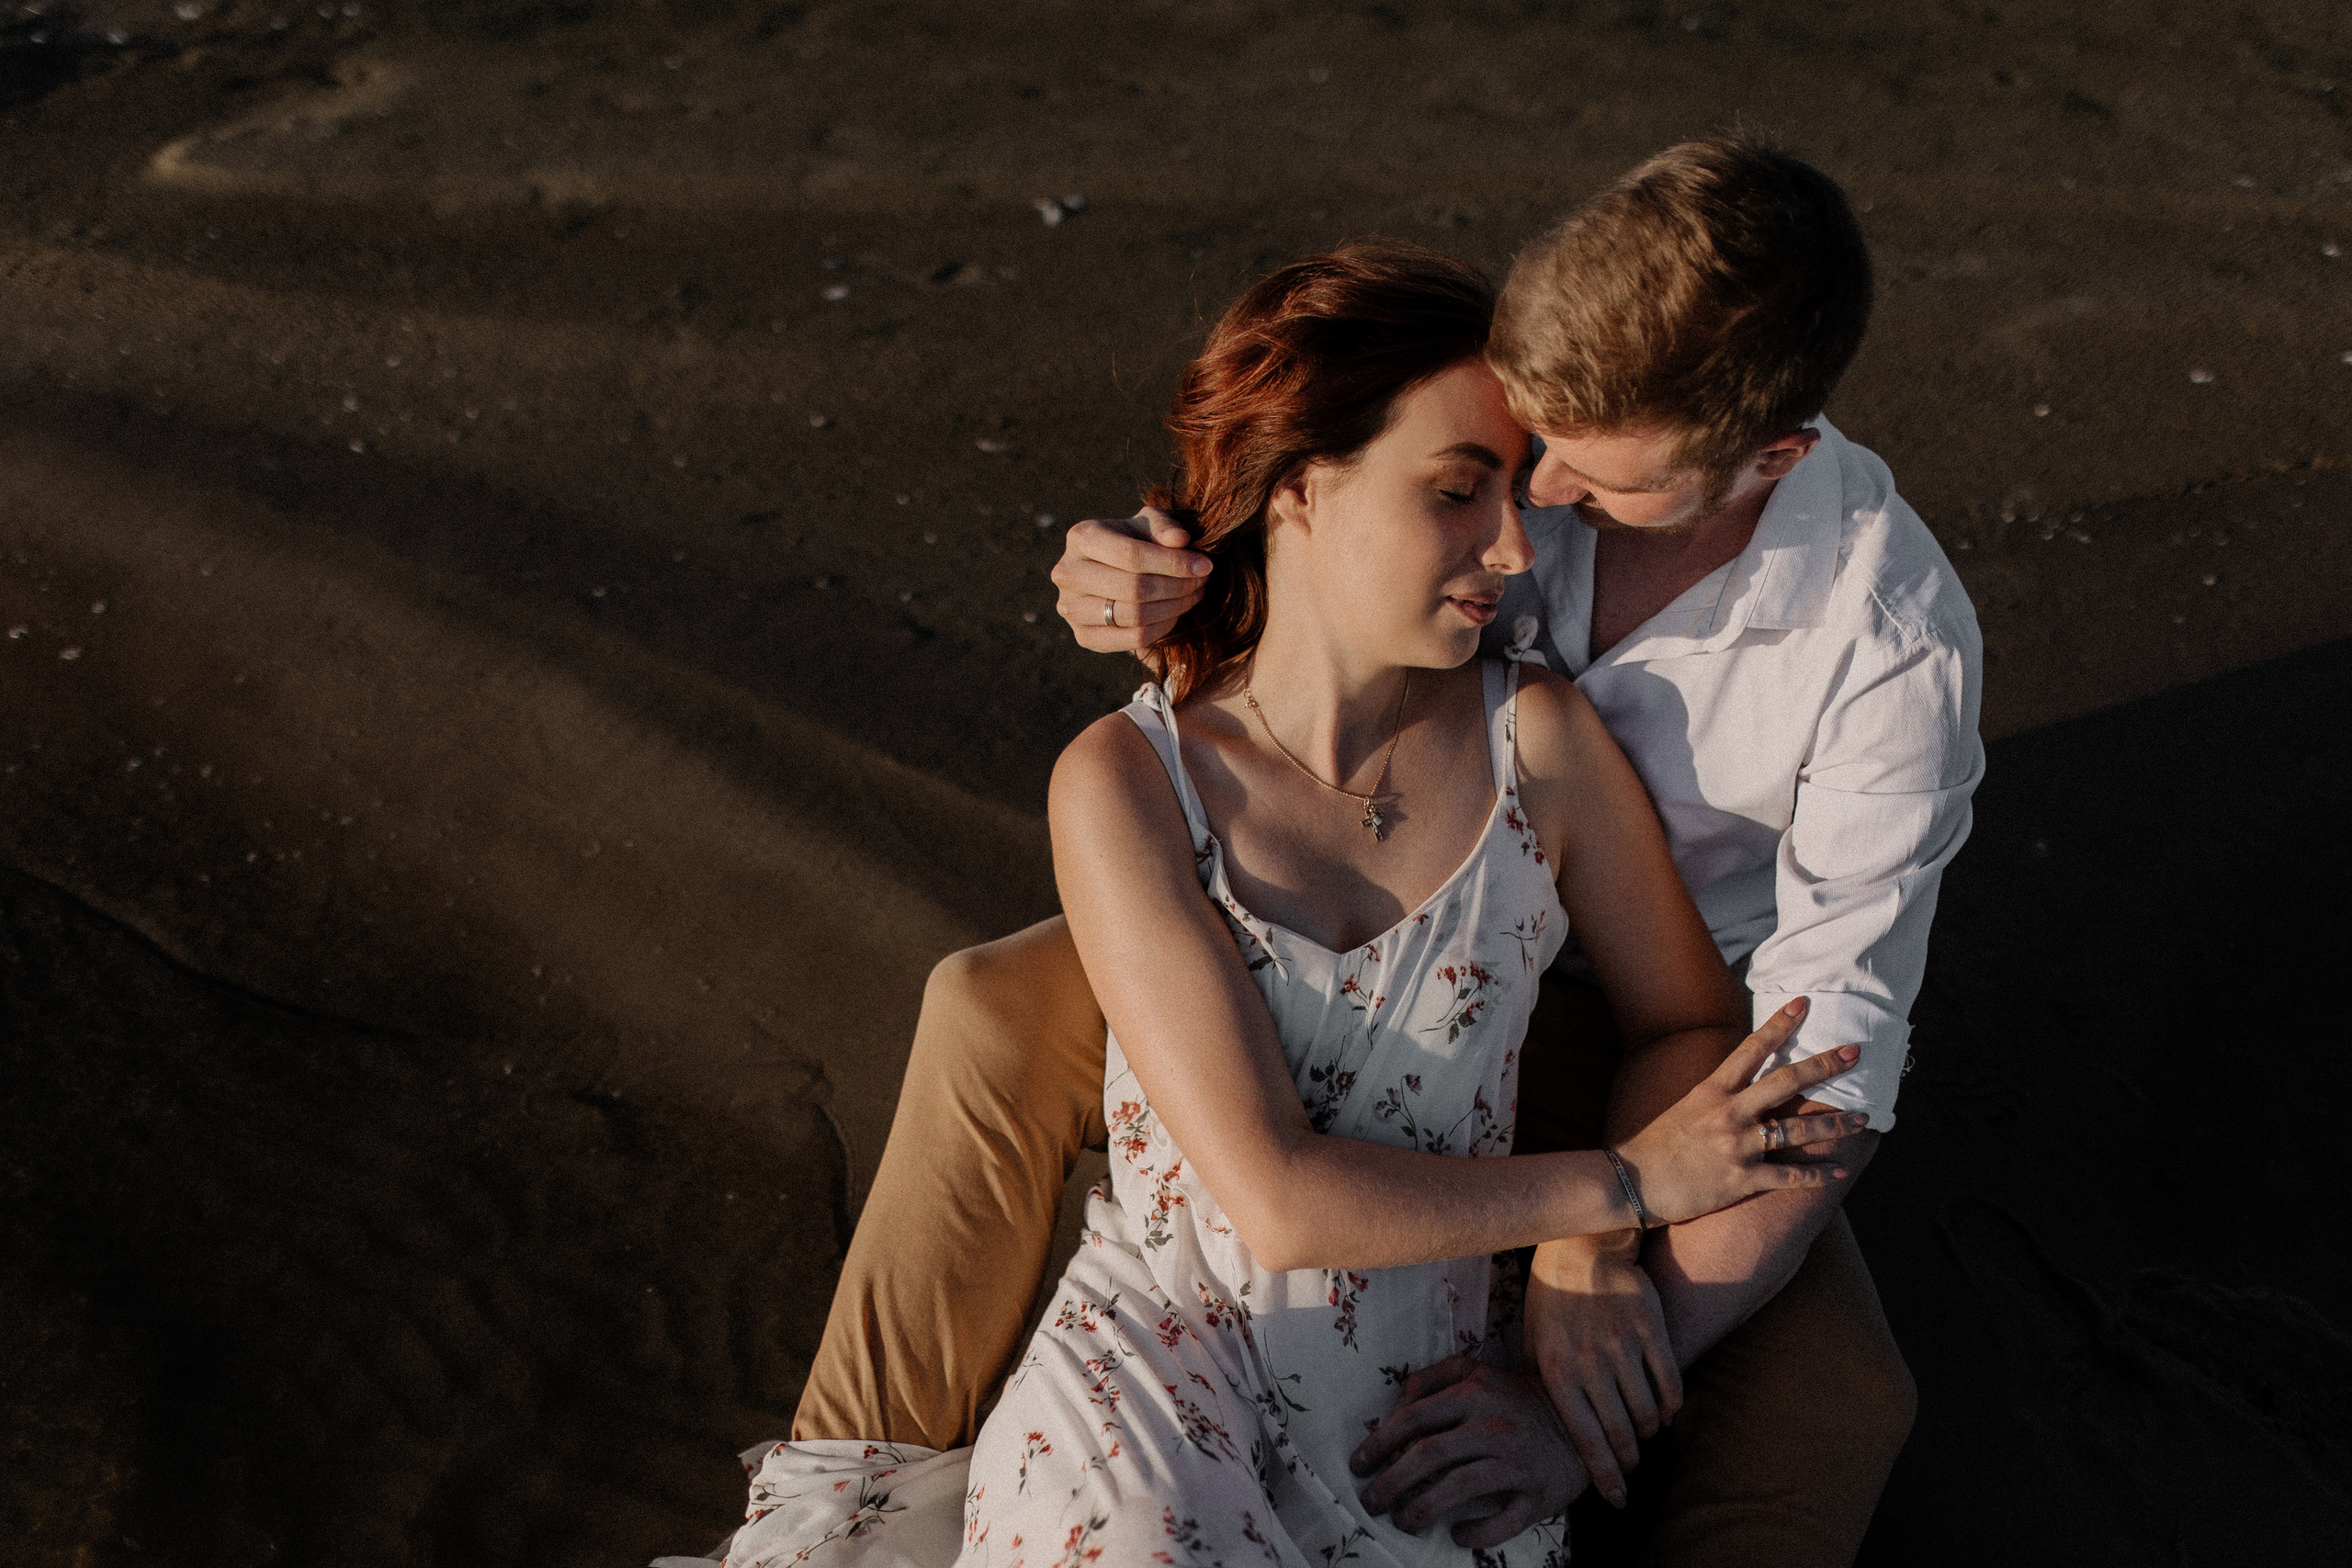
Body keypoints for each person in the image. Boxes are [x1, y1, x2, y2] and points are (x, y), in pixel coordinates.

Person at [772, 135, 1983, 1567]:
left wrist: (1599, 1283)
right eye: (1529, 461)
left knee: (1841, 1399)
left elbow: (1820, 1049)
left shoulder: (1884, 650)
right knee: (985, 1010)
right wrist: (1146, 572)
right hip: (1349, 906)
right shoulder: (1524, 441)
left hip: (1632, 1019)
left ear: (1770, 457)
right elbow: (1332, 500)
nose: (1545, 518)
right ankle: (826, 1521)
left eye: (1590, 482)